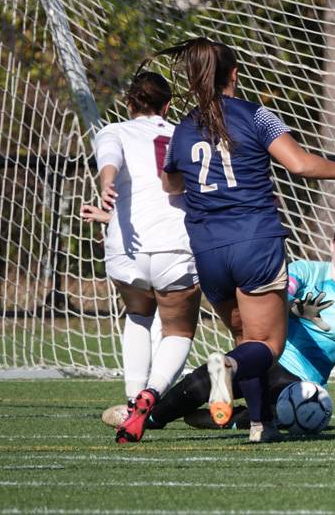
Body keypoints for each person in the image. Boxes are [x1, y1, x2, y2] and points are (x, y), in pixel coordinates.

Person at [156, 38, 335, 442]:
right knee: (266, 346)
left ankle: (261, 424)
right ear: (234, 75)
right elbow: (299, 164)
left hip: (207, 249)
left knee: (245, 339)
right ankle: (228, 370)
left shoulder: (184, 127)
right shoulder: (257, 115)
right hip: (254, 241)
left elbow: (170, 182)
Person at [104, 218, 335, 433]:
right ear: (333, 244)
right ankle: (148, 419)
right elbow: (280, 296)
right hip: (268, 355)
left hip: (300, 383)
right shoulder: (305, 271)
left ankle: (228, 416)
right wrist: (295, 309)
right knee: (202, 382)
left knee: (297, 412)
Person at [80, 71, 202, 444]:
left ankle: (132, 400)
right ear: (167, 105)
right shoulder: (186, 131)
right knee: (178, 329)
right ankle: (152, 395)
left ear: (129, 103)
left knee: (137, 315)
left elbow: (110, 160)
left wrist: (106, 184)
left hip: (126, 246)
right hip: (175, 244)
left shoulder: (113, 130)